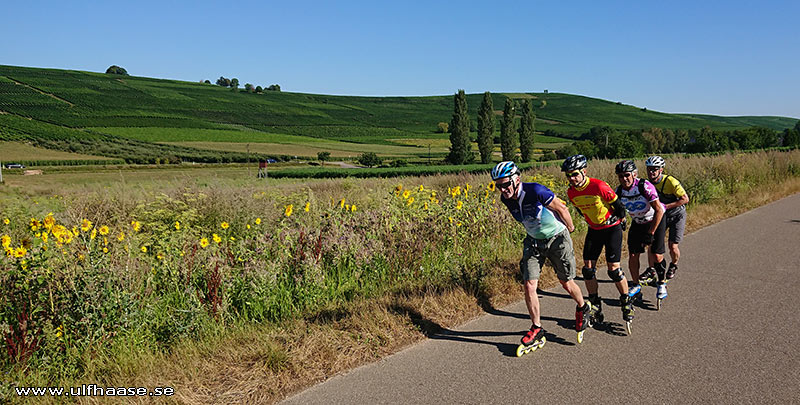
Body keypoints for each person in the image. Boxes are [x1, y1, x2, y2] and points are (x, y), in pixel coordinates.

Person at [491, 161, 590, 348]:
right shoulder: (506, 199)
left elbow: (562, 208)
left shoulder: (535, 191)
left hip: (557, 239)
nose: (503, 189)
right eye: (498, 185)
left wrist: (570, 228)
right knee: (529, 285)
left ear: (517, 179)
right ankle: (537, 328)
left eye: (505, 184)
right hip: (534, 242)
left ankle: (582, 307)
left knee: (566, 282)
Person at [561, 155, 636, 329]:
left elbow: (619, 207)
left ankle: (626, 301)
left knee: (613, 270)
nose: (571, 178)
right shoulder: (571, 192)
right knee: (587, 270)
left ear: (584, 171)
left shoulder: (598, 185)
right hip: (594, 230)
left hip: (611, 229)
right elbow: (581, 211)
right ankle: (595, 303)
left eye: (574, 174)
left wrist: (622, 220)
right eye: (568, 175)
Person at [614, 160, 667, 301]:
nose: (624, 179)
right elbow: (617, 208)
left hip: (655, 219)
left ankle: (662, 283)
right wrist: (622, 219)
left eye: (626, 175)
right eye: (620, 176)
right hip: (638, 222)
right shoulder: (619, 191)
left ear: (634, 174)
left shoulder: (644, 186)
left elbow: (659, 210)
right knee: (632, 255)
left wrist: (651, 232)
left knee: (656, 255)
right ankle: (636, 284)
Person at [644, 156, 689, 281]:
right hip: (661, 216)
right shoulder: (646, 184)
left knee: (672, 246)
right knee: (652, 243)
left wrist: (665, 206)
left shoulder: (670, 182)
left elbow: (685, 199)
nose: (651, 172)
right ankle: (652, 269)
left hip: (676, 215)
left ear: (661, 170)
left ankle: (673, 265)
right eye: (649, 169)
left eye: (655, 169)